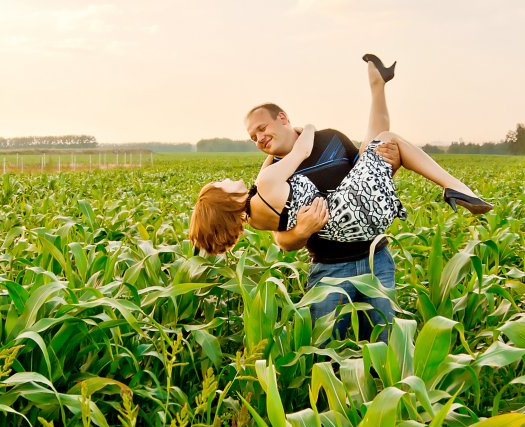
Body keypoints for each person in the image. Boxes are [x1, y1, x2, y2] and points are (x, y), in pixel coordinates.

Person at [189, 55, 492, 341]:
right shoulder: (271, 175)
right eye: (252, 137)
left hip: (373, 251)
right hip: (331, 266)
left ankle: (377, 84)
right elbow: (283, 241)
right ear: (225, 199)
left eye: (261, 129)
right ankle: (454, 186)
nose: (258, 139)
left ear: (281, 118)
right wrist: (307, 128)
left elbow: (360, 174)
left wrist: (389, 164)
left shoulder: (264, 200)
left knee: (380, 141)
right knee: (330, 351)